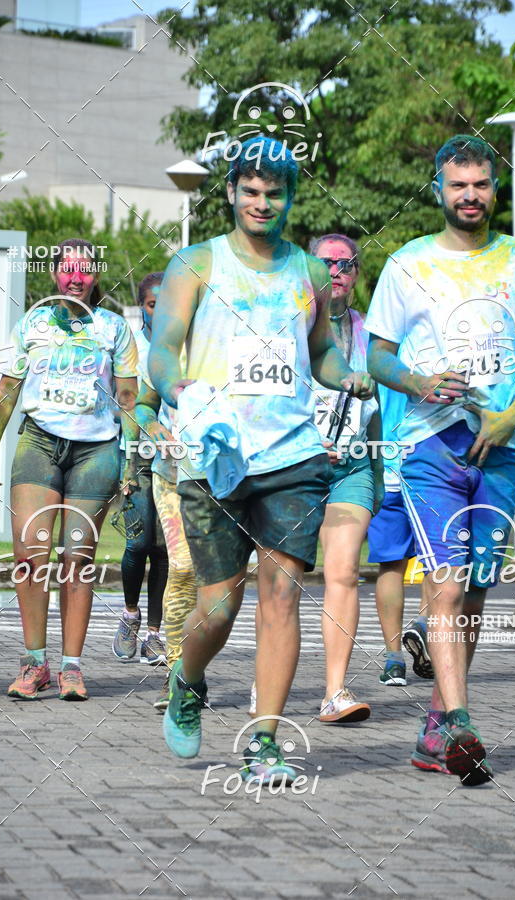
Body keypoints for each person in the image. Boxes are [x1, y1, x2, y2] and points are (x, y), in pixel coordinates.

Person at [148, 136, 374, 782]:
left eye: (274, 193)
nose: (261, 202)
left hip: (294, 456)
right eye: (250, 191)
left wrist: (346, 376)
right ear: (231, 194)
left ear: (288, 198)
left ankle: (264, 741)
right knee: (218, 606)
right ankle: (188, 681)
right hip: (215, 455)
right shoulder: (195, 264)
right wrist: (175, 386)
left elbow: (321, 350)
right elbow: (163, 348)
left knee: (281, 593)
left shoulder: (307, 271)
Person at [366, 134, 515, 785]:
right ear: (440, 190)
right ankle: (459, 720)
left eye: (481, 184)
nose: (471, 195)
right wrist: (419, 382)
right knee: (446, 580)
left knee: (474, 588)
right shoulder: (407, 264)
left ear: (492, 187)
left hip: (500, 448)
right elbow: (376, 355)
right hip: (430, 445)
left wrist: (514, 414)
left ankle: (437, 726)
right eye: (459, 185)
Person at [0, 238, 138, 701]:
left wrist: (131, 458)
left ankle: (71, 667)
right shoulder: (32, 322)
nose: (75, 277)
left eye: (84, 270)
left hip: (97, 451)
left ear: (94, 277)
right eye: (67, 269)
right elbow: (9, 387)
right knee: (30, 557)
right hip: (39, 443)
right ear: (54, 275)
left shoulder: (113, 329)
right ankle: (34, 664)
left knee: (77, 559)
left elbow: (127, 398)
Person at [309, 233, 382, 723]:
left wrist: (376, 476)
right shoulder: (289, 327)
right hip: (293, 465)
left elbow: (378, 406)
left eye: (347, 264)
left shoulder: (371, 333)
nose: (337, 270)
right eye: (326, 263)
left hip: (352, 468)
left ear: (356, 275)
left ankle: (335, 691)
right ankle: (264, 680)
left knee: (343, 573)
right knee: (280, 579)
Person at [133, 306, 199, 710]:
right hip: (172, 476)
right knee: (183, 568)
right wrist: (155, 429)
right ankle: (177, 675)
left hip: (227, 482)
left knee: (222, 585)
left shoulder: (237, 346)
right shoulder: (166, 351)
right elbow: (143, 404)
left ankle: (197, 667)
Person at [112, 273, 169, 666]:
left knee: (163, 551)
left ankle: (153, 634)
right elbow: (129, 405)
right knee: (137, 543)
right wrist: (128, 468)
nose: (160, 311)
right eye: (152, 304)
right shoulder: (131, 347)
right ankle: (130, 614)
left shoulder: (186, 346)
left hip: (176, 460)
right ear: (142, 306)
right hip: (138, 458)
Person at [368, 383, 433, 687]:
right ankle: (424, 624)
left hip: (383, 464)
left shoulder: (371, 343)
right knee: (439, 560)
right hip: (430, 467)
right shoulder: (434, 337)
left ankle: (394, 660)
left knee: (391, 565)